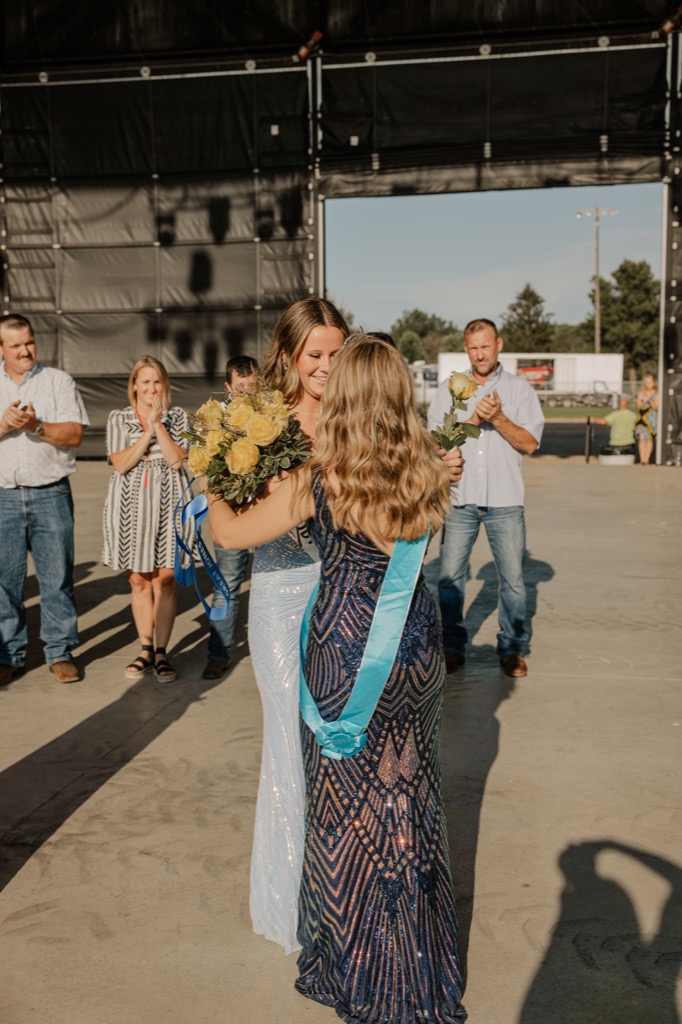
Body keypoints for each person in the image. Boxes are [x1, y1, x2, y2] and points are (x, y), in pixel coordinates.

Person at [208, 336, 467, 1023]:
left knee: (348, 814)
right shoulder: (428, 468)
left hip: (346, 651)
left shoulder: (321, 477)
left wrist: (211, 487)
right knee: (411, 801)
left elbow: (230, 536)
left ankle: (366, 974)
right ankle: (421, 966)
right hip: (416, 648)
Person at [427, 317, 544, 679]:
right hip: (460, 498)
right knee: (450, 577)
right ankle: (451, 646)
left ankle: (512, 648)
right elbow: (437, 445)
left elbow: (531, 444)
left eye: (486, 346)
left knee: (512, 580)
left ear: (499, 345)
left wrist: (501, 418)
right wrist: (476, 419)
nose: (480, 354)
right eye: (473, 348)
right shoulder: (449, 390)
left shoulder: (520, 389)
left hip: (505, 500)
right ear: (466, 349)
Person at [0, 313, 89, 686]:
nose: (25, 350)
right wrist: (5, 425)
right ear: (1, 349)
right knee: (5, 582)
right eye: (16, 345)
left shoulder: (57, 381)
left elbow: (74, 435)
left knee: (56, 579)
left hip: (51, 493)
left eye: (29, 342)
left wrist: (35, 426)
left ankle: (60, 652)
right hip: (3, 496)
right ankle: (9, 655)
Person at [102, 356, 194, 683]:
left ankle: (162, 652)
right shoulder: (119, 418)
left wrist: (159, 425)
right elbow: (122, 464)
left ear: (164, 385)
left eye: (157, 382)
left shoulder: (179, 417)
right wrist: (146, 432)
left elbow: (176, 461)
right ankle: (144, 648)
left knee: (165, 579)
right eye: (145, 382)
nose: (151, 388)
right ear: (134, 386)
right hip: (130, 505)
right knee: (139, 580)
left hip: (170, 501)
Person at [201, 354, 259, 681]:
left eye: (252, 386)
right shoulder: (215, 422)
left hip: (266, 512)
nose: (246, 392)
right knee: (226, 584)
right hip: (232, 513)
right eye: (240, 387)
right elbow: (204, 468)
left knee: (272, 581)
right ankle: (219, 652)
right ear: (227, 386)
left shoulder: (270, 416)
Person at [634, 372, 658, 465]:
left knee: (649, 439)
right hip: (642, 419)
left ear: (653, 383)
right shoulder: (641, 394)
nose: (648, 384)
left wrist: (650, 400)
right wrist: (643, 401)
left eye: (650, 382)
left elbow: (655, 407)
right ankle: (642, 459)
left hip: (651, 419)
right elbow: (638, 407)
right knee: (641, 438)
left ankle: (647, 459)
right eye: (647, 382)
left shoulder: (656, 394)